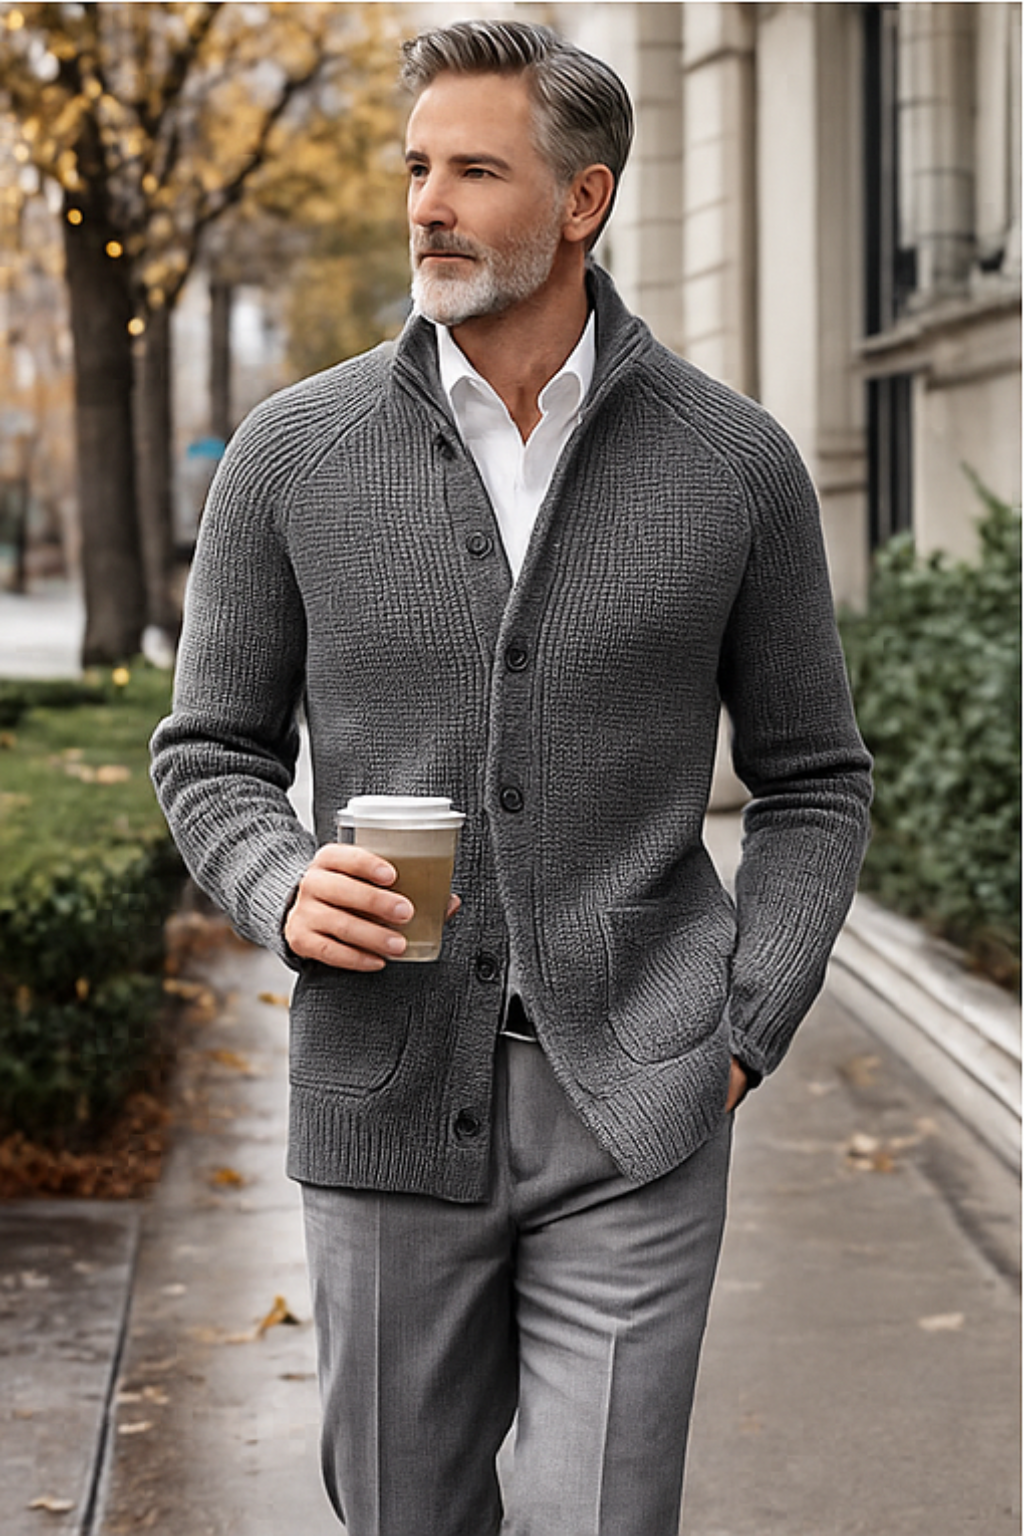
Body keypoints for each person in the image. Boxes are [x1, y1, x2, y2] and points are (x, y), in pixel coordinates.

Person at [151, 19, 872, 1536]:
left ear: (582, 201)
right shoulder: (292, 454)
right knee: (401, 1510)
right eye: (418, 165)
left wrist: (741, 1025)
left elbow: (814, 779)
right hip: (385, 1089)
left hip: (643, 1096)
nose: (428, 201)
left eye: (476, 169)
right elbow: (211, 753)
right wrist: (284, 888)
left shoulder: (733, 465)